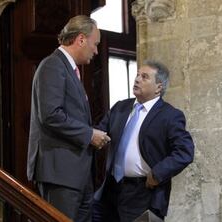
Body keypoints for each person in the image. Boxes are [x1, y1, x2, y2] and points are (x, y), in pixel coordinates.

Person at [26, 15, 110, 222]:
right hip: (60, 172)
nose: (96, 50)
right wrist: (89, 134)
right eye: (95, 44)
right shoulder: (52, 65)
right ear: (81, 39)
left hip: (76, 172)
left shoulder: (70, 69)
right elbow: (50, 115)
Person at [94, 60, 195, 221]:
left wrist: (157, 173)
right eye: (137, 74)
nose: (137, 79)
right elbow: (98, 134)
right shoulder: (120, 108)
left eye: (145, 77)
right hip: (109, 191)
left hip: (143, 193)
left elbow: (185, 152)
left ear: (159, 87)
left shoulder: (170, 115)